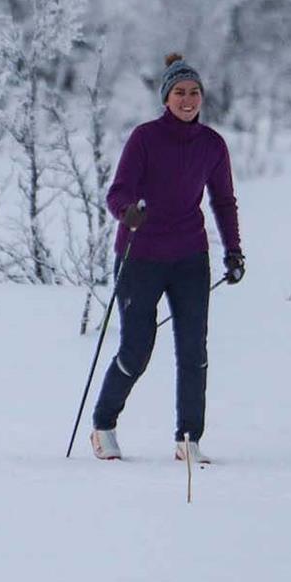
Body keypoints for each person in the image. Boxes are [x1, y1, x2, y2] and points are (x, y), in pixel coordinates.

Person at [89, 53, 245, 464]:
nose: (188, 100)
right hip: (140, 255)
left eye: (194, 92)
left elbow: (224, 201)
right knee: (137, 348)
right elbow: (117, 192)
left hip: (190, 257)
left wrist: (233, 250)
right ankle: (104, 426)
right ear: (166, 97)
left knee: (194, 349)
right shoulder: (145, 138)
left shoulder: (212, 144)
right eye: (180, 93)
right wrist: (129, 213)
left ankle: (188, 439)